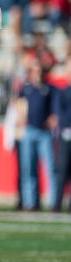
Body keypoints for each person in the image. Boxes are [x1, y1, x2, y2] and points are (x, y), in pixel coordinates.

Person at [18, 58, 58, 211]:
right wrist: (20, 117)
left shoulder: (48, 89)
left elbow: (55, 109)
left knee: (50, 168)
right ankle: (30, 202)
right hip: (29, 131)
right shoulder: (26, 88)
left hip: (44, 133)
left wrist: (53, 119)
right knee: (28, 169)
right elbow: (18, 104)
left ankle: (54, 201)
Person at [52, 56, 71, 213]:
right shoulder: (63, 92)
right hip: (66, 135)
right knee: (62, 170)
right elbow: (61, 115)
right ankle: (57, 204)